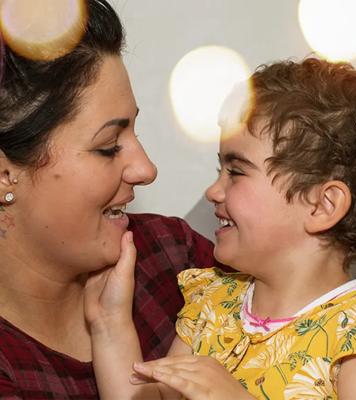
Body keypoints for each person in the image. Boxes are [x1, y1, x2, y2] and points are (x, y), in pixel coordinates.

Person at [89, 58, 356, 399]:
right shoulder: (212, 306)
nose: (213, 191)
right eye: (219, 170)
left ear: (323, 205)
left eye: (236, 172)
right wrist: (109, 323)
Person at [0, 1, 216, 398]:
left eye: (135, 130)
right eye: (108, 146)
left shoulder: (172, 260)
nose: (146, 169)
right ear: (4, 174)